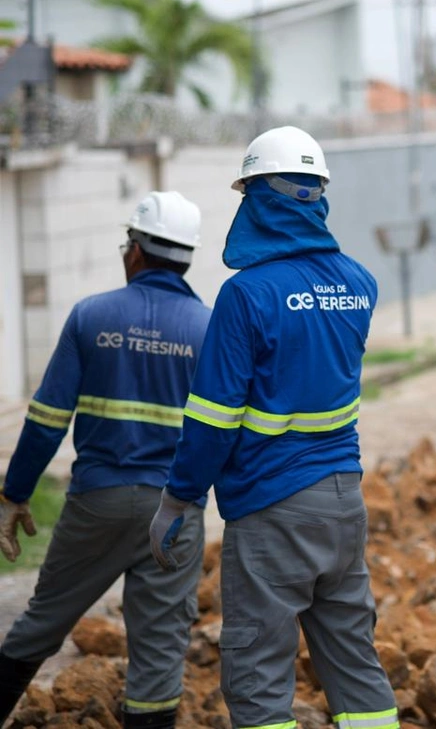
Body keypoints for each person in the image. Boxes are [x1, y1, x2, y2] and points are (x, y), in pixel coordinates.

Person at [150, 126, 396, 729]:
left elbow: (211, 419)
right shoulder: (358, 284)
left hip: (271, 507)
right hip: (343, 499)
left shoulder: (246, 295)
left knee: (258, 674)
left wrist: (179, 498)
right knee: (354, 664)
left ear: (259, 199)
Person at [0, 192, 210, 729]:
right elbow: (224, 430)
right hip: (176, 513)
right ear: (186, 256)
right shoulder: (208, 330)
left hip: (98, 502)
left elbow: (47, 418)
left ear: (135, 251)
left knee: (41, 624)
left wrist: (14, 492)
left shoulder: (91, 316)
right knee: (160, 652)